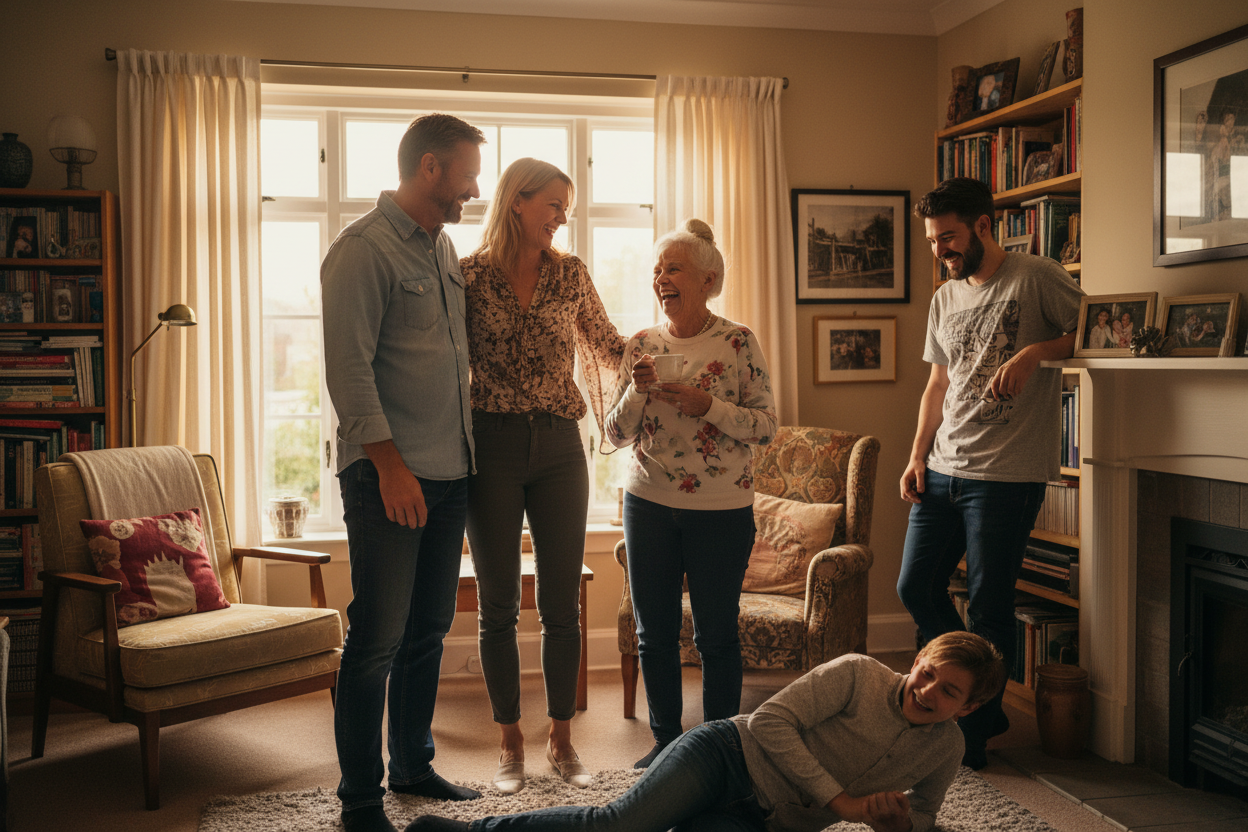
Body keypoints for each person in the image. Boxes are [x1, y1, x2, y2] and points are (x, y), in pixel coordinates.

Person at [404, 631, 1006, 832]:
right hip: (725, 754)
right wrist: (843, 802)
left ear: (969, 708)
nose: (927, 691)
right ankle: (474, 831)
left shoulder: (945, 749)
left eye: (948, 691)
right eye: (928, 672)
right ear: (919, 655)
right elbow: (771, 720)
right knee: (617, 824)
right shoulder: (858, 675)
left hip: (766, 821)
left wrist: (896, 822)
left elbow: (925, 815)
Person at [321, 113, 487, 832]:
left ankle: (414, 767)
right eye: (468, 175)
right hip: (390, 476)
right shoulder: (362, 250)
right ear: (429, 168)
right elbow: (349, 371)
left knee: (427, 632)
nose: (473, 190)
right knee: (378, 637)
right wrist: (389, 468)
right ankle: (360, 797)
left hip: (451, 474)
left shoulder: (443, 248)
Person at [897, 177, 1084, 771]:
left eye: (947, 238)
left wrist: (1035, 352)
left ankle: (971, 733)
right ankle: (982, 699)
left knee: (989, 606)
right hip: (944, 468)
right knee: (915, 586)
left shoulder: (1035, 276)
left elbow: (1099, 332)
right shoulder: (944, 298)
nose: (939, 251)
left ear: (983, 224)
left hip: (1005, 476)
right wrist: (915, 455)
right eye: (933, 241)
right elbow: (936, 384)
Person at [459, 158, 624, 794]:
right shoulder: (467, 276)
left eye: (567, 210)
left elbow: (607, 345)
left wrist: (665, 346)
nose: (561, 219)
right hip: (491, 447)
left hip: (559, 446)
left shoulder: (570, 276)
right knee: (498, 606)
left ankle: (561, 738)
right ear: (517, 202)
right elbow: (446, 360)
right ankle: (510, 742)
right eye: (554, 206)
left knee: (561, 605)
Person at [604, 219, 778, 770]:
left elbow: (768, 426)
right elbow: (612, 434)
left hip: (722, 508)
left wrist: (710, 408)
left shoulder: (737, 341)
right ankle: (664, 742)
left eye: (673, 268)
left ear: (708, 279)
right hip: (648, 503)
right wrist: (638, 389)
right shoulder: (642, 346)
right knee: (653, 631)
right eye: (657, 270)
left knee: (716, 633)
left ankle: (722, 746)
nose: (661, 278)